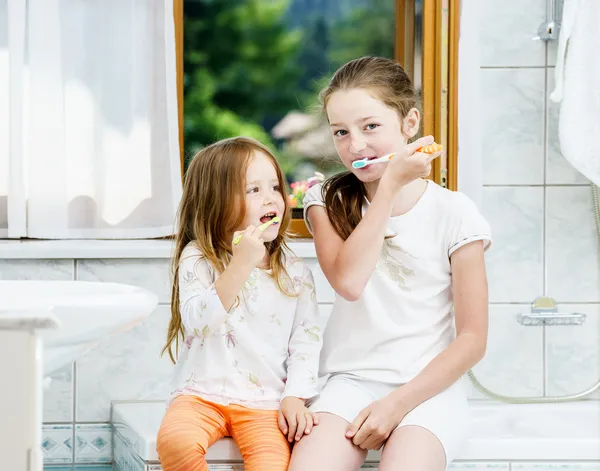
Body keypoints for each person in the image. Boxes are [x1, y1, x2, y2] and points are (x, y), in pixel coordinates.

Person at [288, 56, 492, 471]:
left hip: (427, 391)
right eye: (341, 132)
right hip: (349, 383)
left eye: (371, 127)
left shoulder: (456, 213)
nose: (356, 146)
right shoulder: (324, 200)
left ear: (409, 123)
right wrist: (389, 187)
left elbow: (472, 339)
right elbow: (349, 282)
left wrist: (396, 405)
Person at [156, 136, 329, 471]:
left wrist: (295, 396)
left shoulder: (294, 271)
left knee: (272, 464)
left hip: (264, 402)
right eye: (254, 190)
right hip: (200, 394)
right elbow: (198, 322)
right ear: (216, 202)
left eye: (275, 187)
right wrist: (240, 265)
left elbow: (306, 341)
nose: (272, 200)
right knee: (175, 444)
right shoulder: (199, 258)